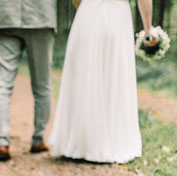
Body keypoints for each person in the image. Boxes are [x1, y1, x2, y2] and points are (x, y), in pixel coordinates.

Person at [48, 0, 157, 163]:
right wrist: (148, 28)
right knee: (114, 76)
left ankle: (79, 143)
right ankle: (112, 142)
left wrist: (88, 7)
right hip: (116, 16)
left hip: (87, 15)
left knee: (83, 75)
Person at [0, 0, 57, 162]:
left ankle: (1, 142)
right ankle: (38, 139)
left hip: (6, 16)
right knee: (42, 85)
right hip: (40, 16)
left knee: (3, 85)